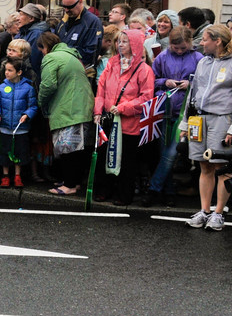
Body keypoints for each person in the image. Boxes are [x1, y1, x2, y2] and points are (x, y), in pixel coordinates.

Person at [142, 26, 202, 207]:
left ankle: (153, 189)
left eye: (183, 48)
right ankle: (168, 192)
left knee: (170, 154)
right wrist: (165, 82)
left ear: (190, 43)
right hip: (164, 111)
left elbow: (204, 82)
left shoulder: (199, 58)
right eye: (176, 48)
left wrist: (190, 83)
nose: (179, 51)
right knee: (164, 155)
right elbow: (152, 79)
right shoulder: (162, 57)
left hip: (186, 113)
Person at [94, 29, 155, 205]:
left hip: (129, 123)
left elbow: (146, 98)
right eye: (119, 41)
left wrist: (123, 108)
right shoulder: (112, 64)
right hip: (109, 120)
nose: (120, 45)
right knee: (105, 157)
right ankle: (104, 190)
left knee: (126, 161)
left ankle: (123, 194)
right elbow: (101, 90)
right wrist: (98, 111)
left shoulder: (144, 70)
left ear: (135, 45)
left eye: (124, 41)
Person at [184, 25, 232, 230]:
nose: (201, 43)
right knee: (204, 165)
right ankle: (204, 211)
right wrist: (185, 122)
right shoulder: (203, 62)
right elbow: (192, 93)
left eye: (204, 39)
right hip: (199, 120)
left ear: (218, 41)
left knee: (222, 167)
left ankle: (218, 213)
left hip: (222, 119)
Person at [37, 32, 95, 195]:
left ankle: (69, 185)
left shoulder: (52, 58)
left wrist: (40, 102)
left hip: (69, 107)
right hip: (82, 106)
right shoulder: (72, 55)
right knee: (77, 148)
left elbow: (48, 85)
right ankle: (73, 182)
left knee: (68, 148)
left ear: (45, 46)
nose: (41, 52)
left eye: (41, 49)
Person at [0, 57, 38, 188]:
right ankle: (5, 176)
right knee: (4, 151)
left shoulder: (28, 88)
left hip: (20, 127)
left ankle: (18, 175)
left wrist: (27, 115)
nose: (6, 73)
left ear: (19, 72)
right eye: (6, 70)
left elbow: (33, 106)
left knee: (19, 152)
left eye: (10, 70)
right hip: (5, 126)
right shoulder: (2, 87)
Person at [55, 0, 103, 81]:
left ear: (80, 2)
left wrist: (67, 61)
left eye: (70, 7)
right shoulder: (64, 21)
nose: (66, 10)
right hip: (62, 71)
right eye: (64, 7)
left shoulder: (93, 22)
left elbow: (91, 52)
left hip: (82, 74)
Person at [16, 3, 48, 78]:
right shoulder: (23, 32)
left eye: (21, 15)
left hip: (30, 77)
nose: (18, 18)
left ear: (31, 19)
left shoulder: (37, 34)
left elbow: (34, 61)